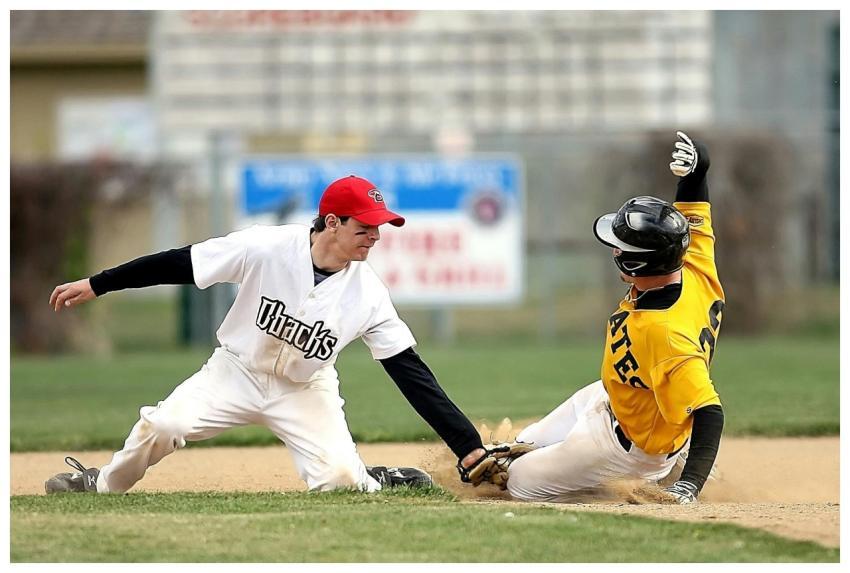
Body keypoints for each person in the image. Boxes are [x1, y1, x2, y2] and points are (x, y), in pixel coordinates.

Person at [45, 175, 493, 494]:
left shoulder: (368, 293)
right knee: (164, 424)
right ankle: (101, 484)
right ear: (332, 222)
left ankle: (371, 478)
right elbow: (182, 262)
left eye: (379, 227)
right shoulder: (267, 247)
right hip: (234, 372)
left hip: (304, 389)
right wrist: (99, 283)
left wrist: (467, 446)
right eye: (365, 226)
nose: (375, 236)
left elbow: (410, 373)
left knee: (339, 483)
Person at [495, 132, 725, 504]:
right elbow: (693, 210)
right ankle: (657, 460)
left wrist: (690, 486)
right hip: (616, 395)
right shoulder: (694, 262)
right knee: (518, 448)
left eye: (621, 246)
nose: (615, 248)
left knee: (517, 483)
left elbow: (710, 412)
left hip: (629, 448)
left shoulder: (665, 333)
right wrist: (696, 173)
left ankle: (637, 481)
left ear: (635, 263)